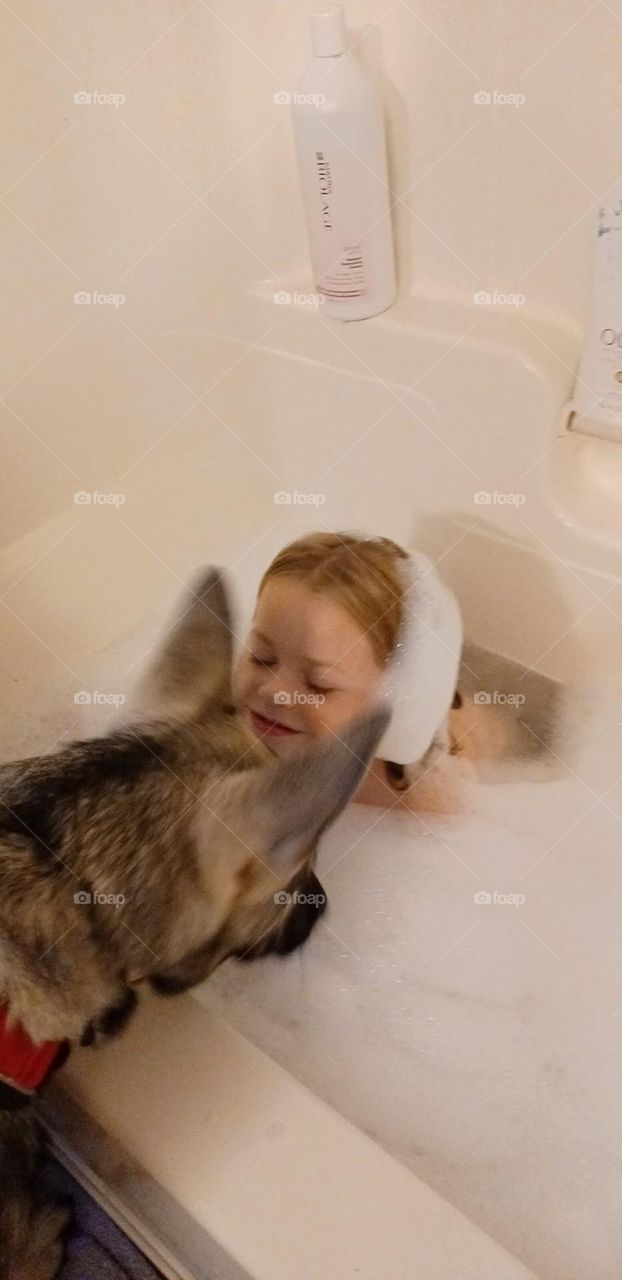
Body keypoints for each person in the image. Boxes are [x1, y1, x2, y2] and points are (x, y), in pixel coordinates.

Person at [233, 531, 476, 814]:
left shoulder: (403, 800)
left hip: (468, 736)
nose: (273, 691)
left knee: (476, 728)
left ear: (391, 696)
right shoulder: (216, 745)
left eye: (318, 685)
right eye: (262, 658)